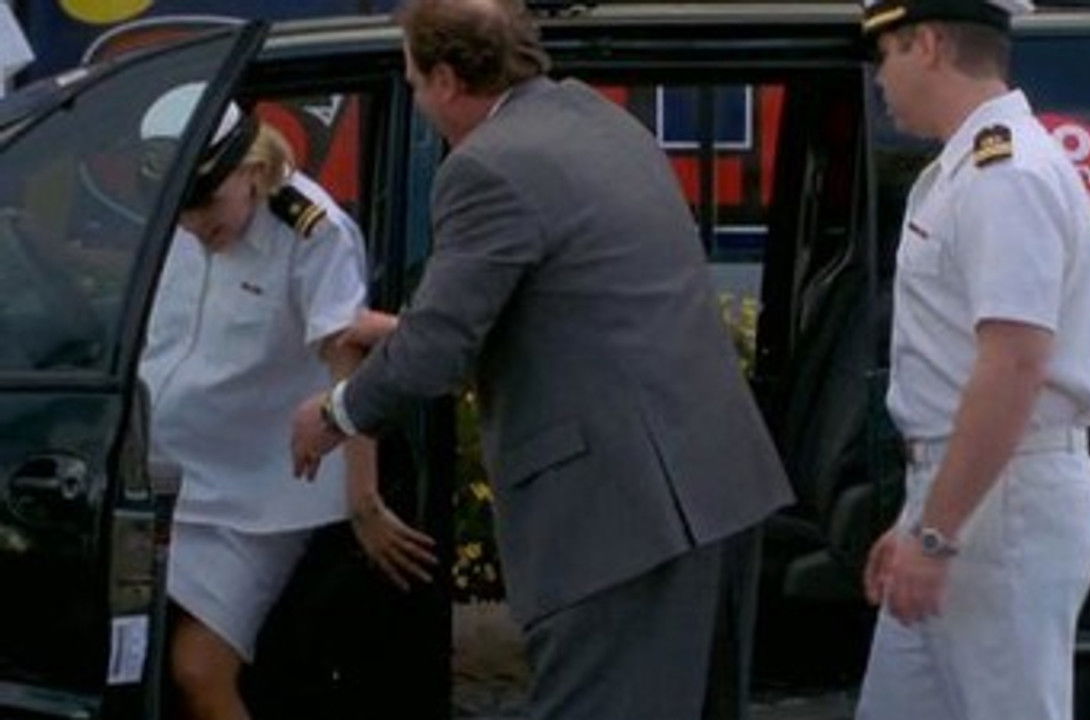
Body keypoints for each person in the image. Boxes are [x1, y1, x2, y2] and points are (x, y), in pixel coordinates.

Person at [289, 1, 794, 718]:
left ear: (445, 79)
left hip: (618, 514)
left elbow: (436, 355)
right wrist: (409, 331)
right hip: (709, 486)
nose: (414, 95)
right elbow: (573, 307)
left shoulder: (486, 169)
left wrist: (334, 413)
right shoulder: (597, 121)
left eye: (412, 80)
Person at [138, 92, 435, 720]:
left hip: (252, 499)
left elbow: (346, 357)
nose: (195, 225)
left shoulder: (310, 231)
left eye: (206, 205)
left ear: (250, 170)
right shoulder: (179, 220)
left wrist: (364, 502)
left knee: (198, 671)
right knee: (127, 664)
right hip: (158, 479)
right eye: (183, 211)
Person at [853, 1, 1090, 719]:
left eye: (887, 54)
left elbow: (1014, 364)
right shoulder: (970, 168)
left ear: (930, 44)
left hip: (1006, 503)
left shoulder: (1006, 173)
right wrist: (923, 518)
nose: (880, 78)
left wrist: (938, 533)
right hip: (969, 495)